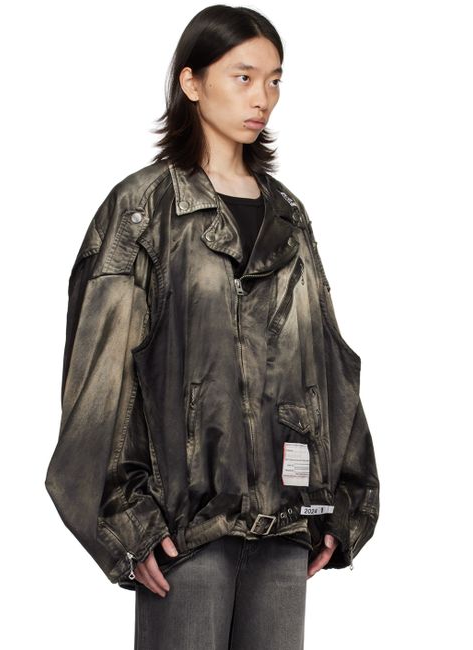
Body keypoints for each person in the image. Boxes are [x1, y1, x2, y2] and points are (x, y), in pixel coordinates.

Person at [45, 5, 380, 649]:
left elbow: (326, 361)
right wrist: (127, 521)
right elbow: (97, 380)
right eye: (244, 77)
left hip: (285, 526)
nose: (264, 99)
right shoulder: (143, 210)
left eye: (275, 81)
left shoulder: (288, 216)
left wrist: (341, 500)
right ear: (191, 82)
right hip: (184, 529)